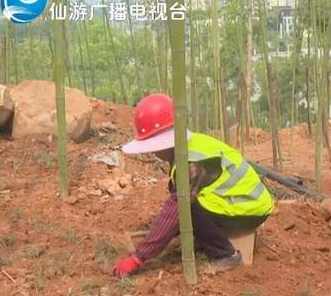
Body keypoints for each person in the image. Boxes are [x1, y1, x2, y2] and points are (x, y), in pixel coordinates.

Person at [112, 93, 274, 277]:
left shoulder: (191, 164)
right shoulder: (191, 147)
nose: (153, 153)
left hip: (250, 210)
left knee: (188, 208)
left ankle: (226, 255)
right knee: (187, 204)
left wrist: (138, 258)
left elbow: (175, 211)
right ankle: (210, 237)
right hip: (246, 202)